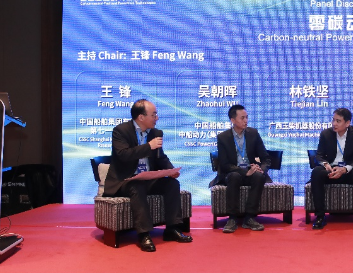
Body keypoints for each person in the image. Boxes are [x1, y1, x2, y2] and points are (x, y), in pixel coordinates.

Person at [103, 99, 192, 252]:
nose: (157, 118)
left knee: (172, 184)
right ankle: (144, 234)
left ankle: (172, 228)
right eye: (154, 115)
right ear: (141, 117)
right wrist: (148, 146)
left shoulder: (156, 133)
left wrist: (170, 170)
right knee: (136, 186)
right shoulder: (121, 131)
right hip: (126, 180)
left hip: (147, 179)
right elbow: (123, 155)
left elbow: (160, 157)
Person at [212, 105, 272, 233]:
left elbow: (266, 158)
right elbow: (224, 164)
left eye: (247, 117)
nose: (246, 120)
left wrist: (261, 169)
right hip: (233, 172)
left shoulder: (253, 134)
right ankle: (232, 218)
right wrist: (245, 172)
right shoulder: (223, 137)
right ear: (233, 120)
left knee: (259, 176)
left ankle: (250, 217)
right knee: (234, 176)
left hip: (252, 171)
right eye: (242, 118)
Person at [310, 107, 353, 230]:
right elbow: (319, 155)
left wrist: (345, 169)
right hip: (331, 169)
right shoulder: (326, 134)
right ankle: (320, 216)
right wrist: (325, 164)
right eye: (333, 120)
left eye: (338, 121)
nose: (334, 124)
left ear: (347, 123)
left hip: (349, 170)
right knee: (316, 172)